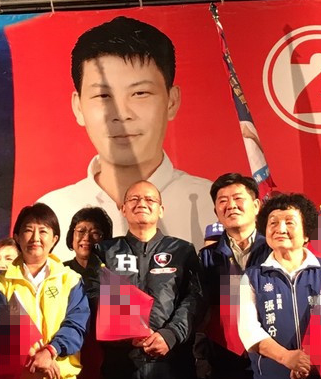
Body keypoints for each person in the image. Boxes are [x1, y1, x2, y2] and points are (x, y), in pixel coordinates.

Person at [37, 16, 217, 261]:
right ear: (78, 107)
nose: (121, 115)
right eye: (103, 96)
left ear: (172, 101)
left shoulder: (212, 204)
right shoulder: (53, 211)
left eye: (140, 93)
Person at [94, 179, 206, 379]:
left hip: (172, 364)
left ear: (161, 210)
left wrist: (170, 334)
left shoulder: (182, 250)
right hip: (121, 364)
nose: (141, 203)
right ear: (123, 209)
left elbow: (195, 298)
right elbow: (95, 295)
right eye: (134, 199)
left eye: (149, 199)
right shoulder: (105, 251)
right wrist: (126, 332)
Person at [239, 193, 321, 379]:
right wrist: (287, 358)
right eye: (273, 223)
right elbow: (249, 330)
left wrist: (305, 362)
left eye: (289, 222)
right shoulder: (252, 277)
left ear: (306, 234)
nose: (280, 229)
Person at [0, 203, 90, 379]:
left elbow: (77, 324)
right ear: (17, 237)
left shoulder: (70, 280)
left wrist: (51, 351)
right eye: (28, 230)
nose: (35, 238)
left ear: (54, 239)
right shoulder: (0, 283)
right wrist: (34, 356)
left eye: (43, 231)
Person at [199, 173, 271, 379]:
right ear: (216, 212)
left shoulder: (274, 250)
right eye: (223, 201)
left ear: (256, 206)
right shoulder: (207, 256)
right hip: (225, 359)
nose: (231, 205)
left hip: (272, 354)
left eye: (238, 198)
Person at [63, 206, 113, 379]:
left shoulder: (114, 274)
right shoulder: (59, 272)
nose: (87, 238)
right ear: (71, 236)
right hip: (68, 356)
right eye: (81, 231)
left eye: (95, 233)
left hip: (108, 361)